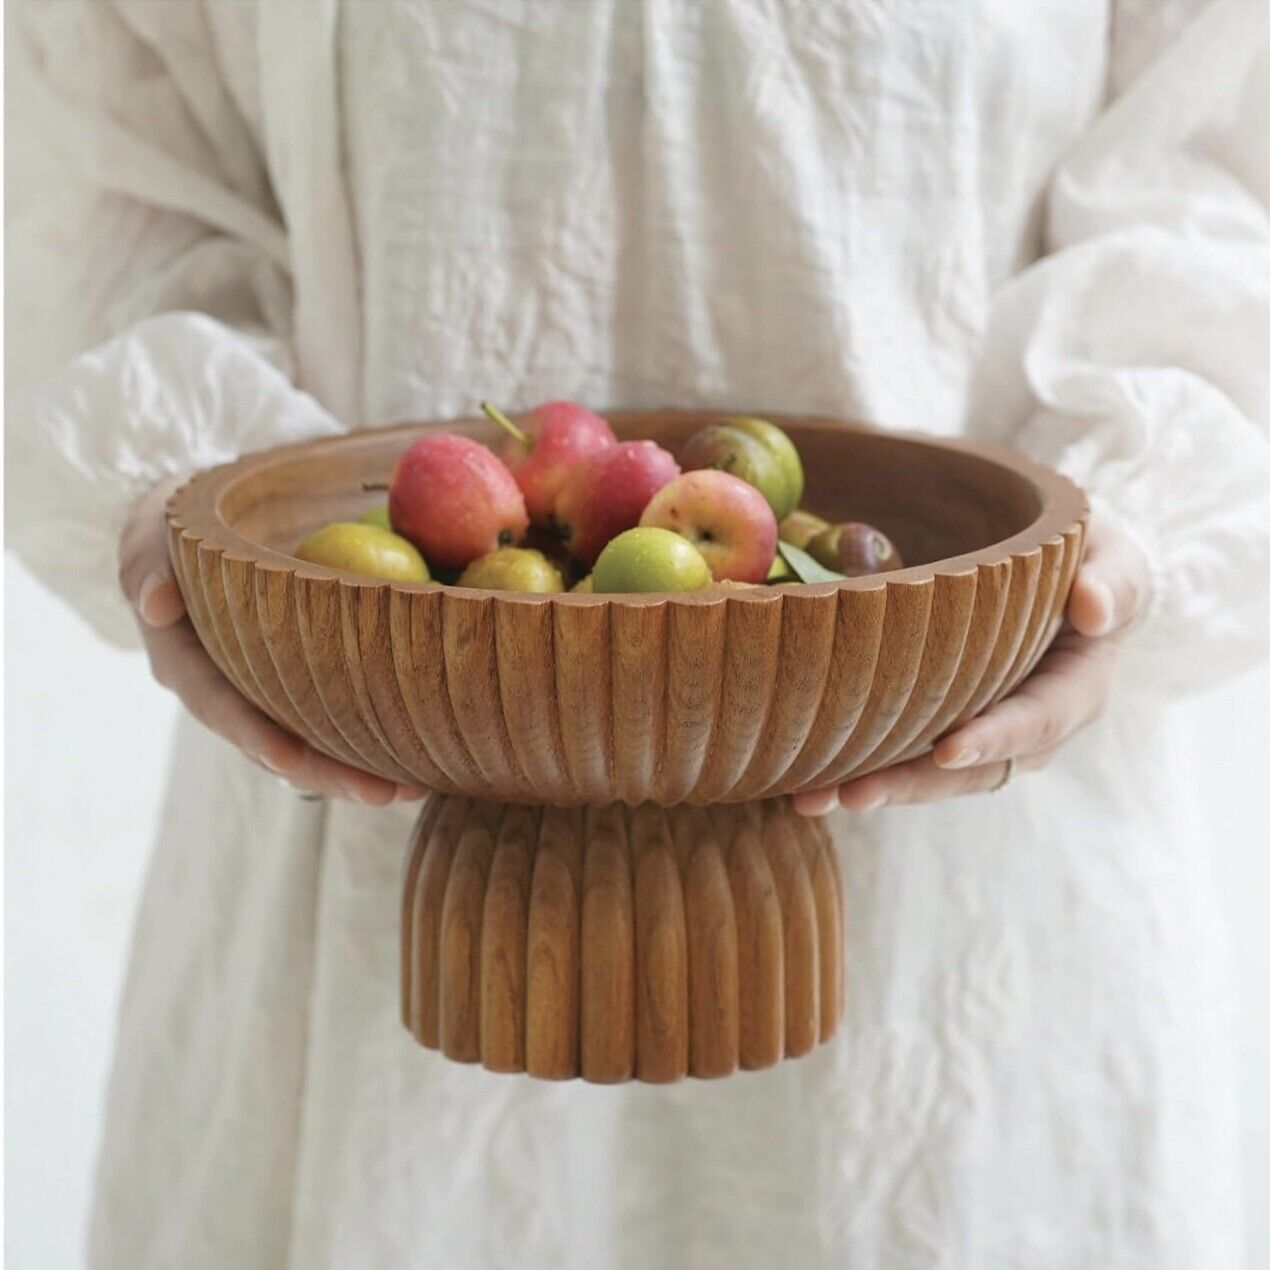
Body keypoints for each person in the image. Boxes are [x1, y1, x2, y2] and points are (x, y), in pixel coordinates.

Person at [9, 2, 1269, 1266]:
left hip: (966, 905)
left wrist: (1136, 506)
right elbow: (104, 174)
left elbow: (1212, 170)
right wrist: (177, 480)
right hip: (360, 869)